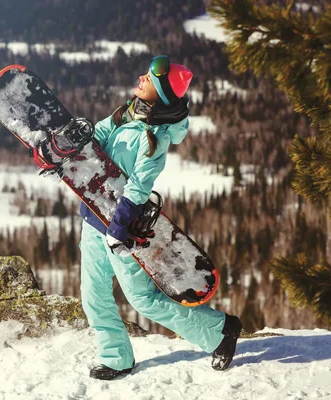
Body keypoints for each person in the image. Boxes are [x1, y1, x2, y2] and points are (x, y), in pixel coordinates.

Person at [79, 55, 242, 380]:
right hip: (93, 218)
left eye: (149, 80)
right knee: (93, 294)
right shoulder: (127, 113)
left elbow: (139, 186)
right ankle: (116, 357)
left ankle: (220, 330)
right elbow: (97, 135)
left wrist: (120, 226)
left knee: (144, 299)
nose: (141, 77)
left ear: (163, 96)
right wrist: (65, 152)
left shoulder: (154, 140)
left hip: (123, 229)